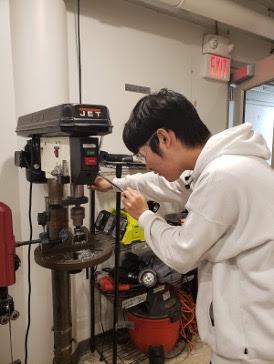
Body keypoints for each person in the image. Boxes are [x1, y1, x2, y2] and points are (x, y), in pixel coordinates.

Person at [91, 89, 274, 364]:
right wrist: (116, 183)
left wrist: (144, 216)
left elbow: (181, 253)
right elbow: (168, 184)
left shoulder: (223, 175)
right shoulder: (223, 165)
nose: (147, 164)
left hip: (250, 341)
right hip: (247, 327)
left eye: (143, 154)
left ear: (164, 138)